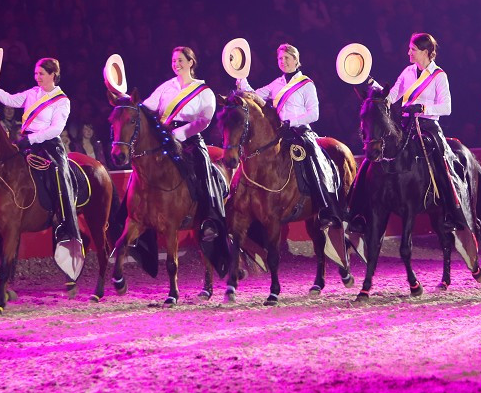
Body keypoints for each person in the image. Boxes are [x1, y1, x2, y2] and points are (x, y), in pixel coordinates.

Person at [354, 33, 472, 232]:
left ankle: (452, 211)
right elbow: (390, 97)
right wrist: (369, 82)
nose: (409, 52)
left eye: (413, 49)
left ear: (425, 52)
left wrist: (423, 108)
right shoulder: (408, 72)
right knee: (371, 159)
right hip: (406, 125)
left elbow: (447, 107)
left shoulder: (439, 76)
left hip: (428, 127)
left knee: (440, 164)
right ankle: (356, 211)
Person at [0, 57, 82, 276]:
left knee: (58, 172)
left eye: (41, 74)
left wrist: (31, 140)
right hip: (26, 143)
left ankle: (63, 217)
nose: (37, 77)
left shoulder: (62, 100)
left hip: (48, 145)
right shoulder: (32, 93)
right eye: (36, 73)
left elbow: (56, 129)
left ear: (52, 75)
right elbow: (9, 100)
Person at [236, 43, 342, 226]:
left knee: (312, 160)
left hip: (301, 132)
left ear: (296, 60)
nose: (282, 61)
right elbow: (252, 95)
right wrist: (240, 77)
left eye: (286, 58)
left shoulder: (307, 84)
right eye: (279, 58)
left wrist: (290, 122)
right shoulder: (276, 84)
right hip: (280, 133)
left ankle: (325, 207)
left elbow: (314, 114)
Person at [142, 46, 227, 256]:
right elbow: (146, 107)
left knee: (203, 169)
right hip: (163, 140)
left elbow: (205, 120)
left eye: (180, 60)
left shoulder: (203, 91)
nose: (176, 64)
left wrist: (180, 134)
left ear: (191, 62)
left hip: (189, 140)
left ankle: (210, 220)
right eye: (173, 61)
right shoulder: (166, 87)